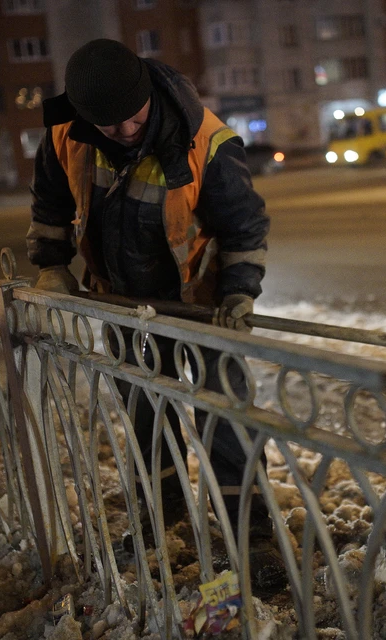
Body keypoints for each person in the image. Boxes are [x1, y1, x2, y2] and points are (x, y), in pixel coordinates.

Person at [26, 39, 283, 591]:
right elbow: (50, 202)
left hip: (200, 304)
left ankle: (249, 528)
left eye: (132, 119)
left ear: (147, 94)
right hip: (123, 303)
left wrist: (240, 294)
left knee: (223, 414)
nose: (123, 131)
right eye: (108, 124)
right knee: (144, 410)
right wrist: (51, 264)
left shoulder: (205, 141)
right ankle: (161, 515)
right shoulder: (66, 135)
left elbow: (244, 226)